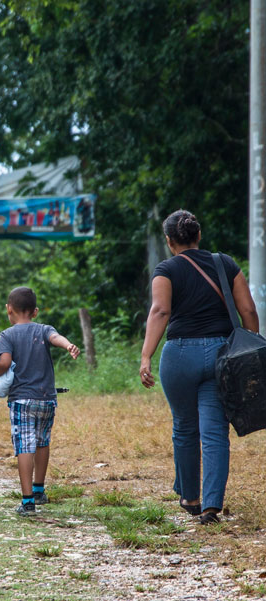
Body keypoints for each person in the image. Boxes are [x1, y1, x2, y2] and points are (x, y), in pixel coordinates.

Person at [140, 209, 258, 525]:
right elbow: (248, 310)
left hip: (180, 355)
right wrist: (249, 352)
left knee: (184, 426)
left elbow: (160, 311)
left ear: (169, 241)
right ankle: (211, 506)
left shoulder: (166, 270)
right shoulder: (225, 264)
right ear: (199, 235)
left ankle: (190, 497)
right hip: (222, 355)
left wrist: (146, 356)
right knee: (215, 431)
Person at [0, 286, 80, 516]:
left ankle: (28, 501)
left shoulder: (7, 335)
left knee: (24, 446)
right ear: (35, 311)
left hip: (22, 401)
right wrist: (68, 345)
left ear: (9, 309)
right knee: (42, 442)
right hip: (46, 399)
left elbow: (5, 363)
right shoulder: (44, 329)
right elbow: (56, 338)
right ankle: (39, 490)